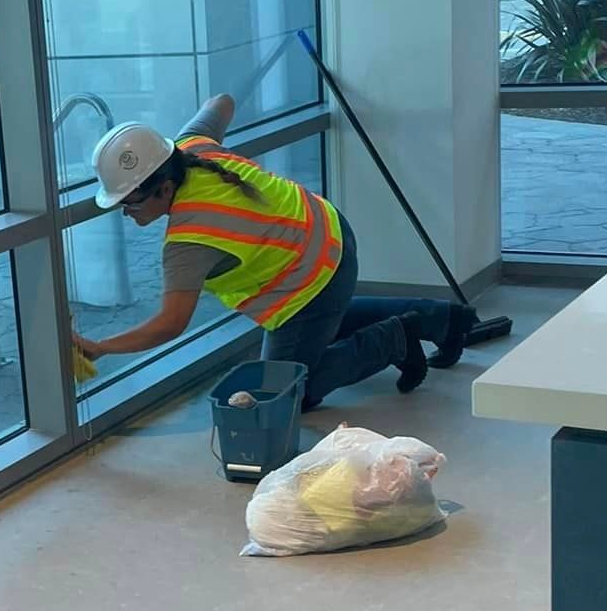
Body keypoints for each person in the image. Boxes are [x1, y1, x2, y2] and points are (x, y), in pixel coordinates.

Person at [74, 95, 477, 409]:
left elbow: (170, 324)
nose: (126, 214)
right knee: (321, 323)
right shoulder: (192, 146)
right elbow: (221, 102)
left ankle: (395, 341)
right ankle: (441, 319)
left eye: (129, 202)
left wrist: (101, 346)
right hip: (329, 232)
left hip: (310, 278)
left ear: (163, 188)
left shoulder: (189, 242)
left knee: (286, 396)